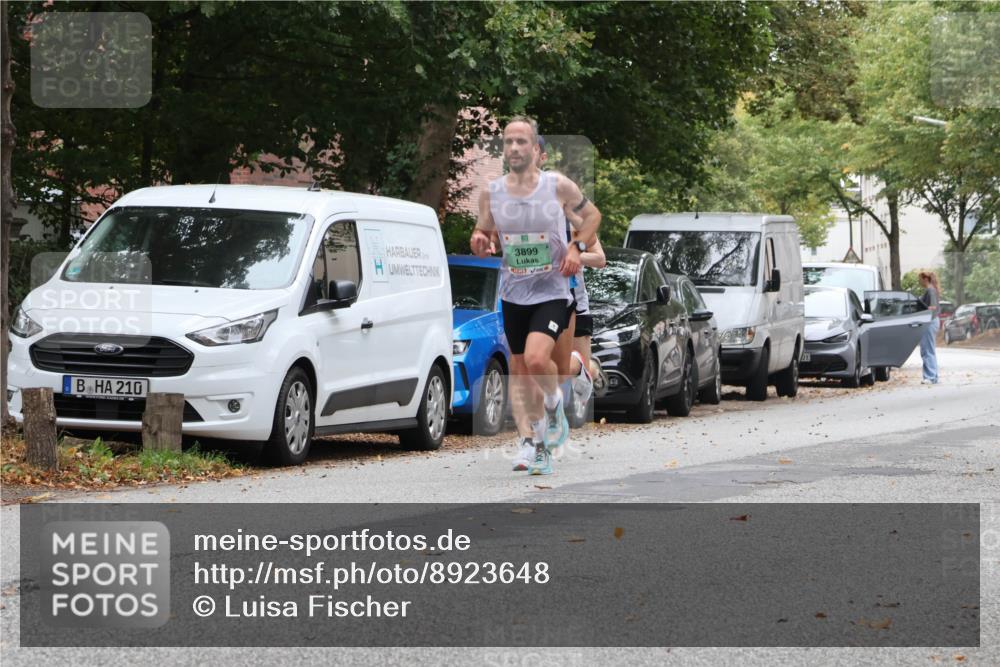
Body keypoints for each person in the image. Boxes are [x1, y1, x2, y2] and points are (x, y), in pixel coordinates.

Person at [471, 117, 601, 475]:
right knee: (521, 370)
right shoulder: (492, 192)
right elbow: (483, 234)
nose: (514, 148)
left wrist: (576, 248)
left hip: (552, 290)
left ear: (535, 149)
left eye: (521, 142)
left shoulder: (557, 186)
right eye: (508, 142)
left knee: (537, 358)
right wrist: (482, 242)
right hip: (513, 291)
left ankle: (554, 400)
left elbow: (592, 217)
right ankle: (537, 443)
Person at [918, 270, 941, 384]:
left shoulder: (930, 290)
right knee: (929, 349)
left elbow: (932, 307)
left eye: (920, 279)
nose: (919, 281)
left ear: (925, 279)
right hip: (933, 321)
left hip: (930, 322)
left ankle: (930, 377)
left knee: (926, 349)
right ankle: (933, 376)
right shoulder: (932, 289)